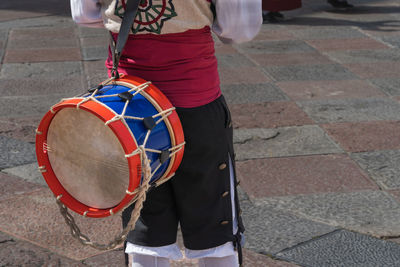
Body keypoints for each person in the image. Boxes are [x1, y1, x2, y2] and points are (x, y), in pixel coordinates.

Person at [70, 0, 262, 266]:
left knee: (145, 221)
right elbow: (240, 28)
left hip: (130, 101)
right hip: (194, 98)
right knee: (211, 216)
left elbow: (84, 14)